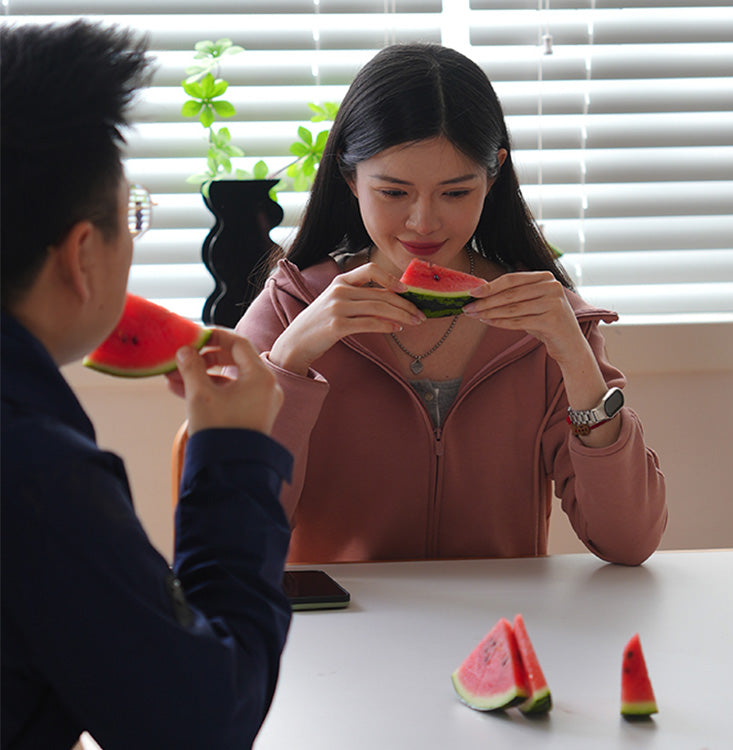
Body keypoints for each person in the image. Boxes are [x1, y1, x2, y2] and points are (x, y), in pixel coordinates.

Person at [234, 42, 667, 566]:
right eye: (394, 193)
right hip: (339, 631)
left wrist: (576, 361)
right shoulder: (289, 305)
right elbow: (234, 532)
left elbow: (629, 541)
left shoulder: (546, 320)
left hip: (494, 630)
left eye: (456, 193)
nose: (424, 222)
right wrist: (288, 361)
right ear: (351, 178)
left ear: (493, 176)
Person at [1, 20, 292, 749]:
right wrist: (231, 456)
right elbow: (203, 723)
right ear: (81, 254)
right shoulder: (41, 478)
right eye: (133, 216)